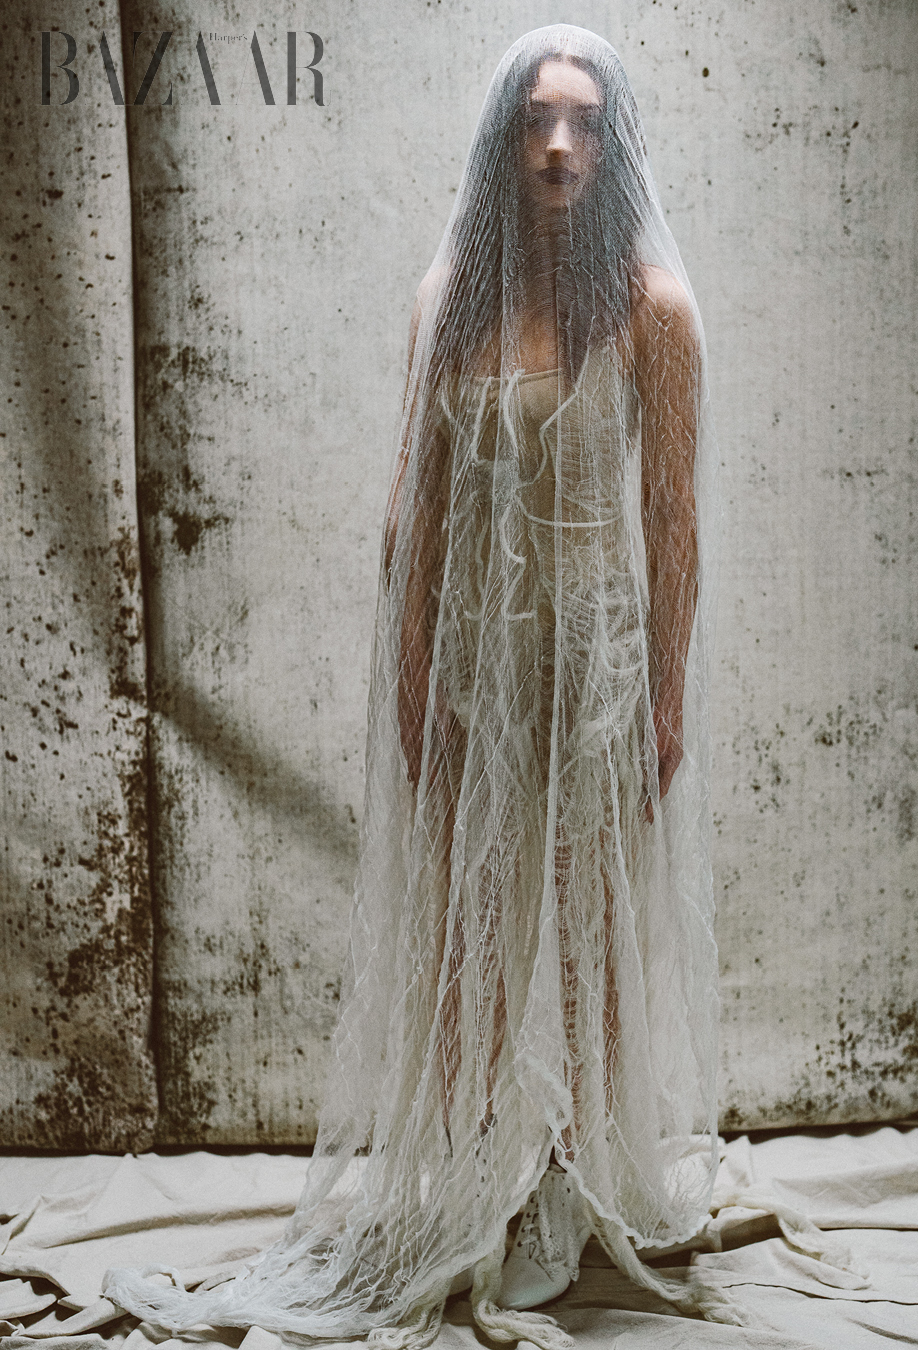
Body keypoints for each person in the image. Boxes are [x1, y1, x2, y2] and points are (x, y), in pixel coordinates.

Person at [107, 25, 721, 1350]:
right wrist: (410, 671)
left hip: (597, 651)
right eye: (536, 119)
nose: (558, 144)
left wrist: (666, 693)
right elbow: (415, 509)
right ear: (503, 140)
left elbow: (672, 520)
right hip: (479, 654)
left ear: (613, 145)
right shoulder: (452, 296)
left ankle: (581, 1181)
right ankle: (478, 1173)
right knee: (472, 921)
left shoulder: (652, 308)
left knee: (592, 922)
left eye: (584, 121)